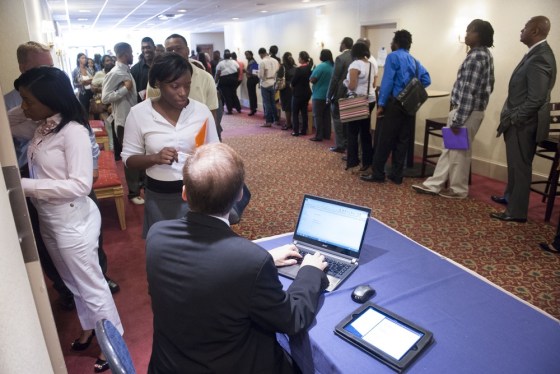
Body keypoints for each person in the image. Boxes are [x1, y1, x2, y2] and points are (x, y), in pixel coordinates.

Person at [146, 142, 328, 373]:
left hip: (168, 366)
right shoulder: (250, 261)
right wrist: (310, 271)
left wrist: (265, 258)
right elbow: (291, 319)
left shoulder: (157, 234)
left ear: (184, 192)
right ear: (240, 194)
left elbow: (206, 271)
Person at [17, 66, 122, 373]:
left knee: (91, 284)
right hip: (49, 218)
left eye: (28, 100)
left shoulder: (73, 131)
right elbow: (9, 119)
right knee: (73, 282)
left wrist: (23, 186)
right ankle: (91, 327)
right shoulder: (43, 126)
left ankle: (113, 341)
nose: (23, 107)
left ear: (51, 99)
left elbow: (80, 185)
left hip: (72, 220)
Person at [9, 42, 119, 310]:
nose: (48, 74)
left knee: (89, 272)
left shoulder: (68, 124)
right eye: (40, 68)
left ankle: (106, 330)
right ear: (24, 68)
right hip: (44, 197)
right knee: (63, 267)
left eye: (50, 67)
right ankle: (72, 299)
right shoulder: (28, 115)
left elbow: (80, 172)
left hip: (65, 200)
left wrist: (25, 186)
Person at [122, 53, 219, 238]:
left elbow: (215, 149)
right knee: (166, 247)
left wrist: (204, 159)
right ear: (158, 83)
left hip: (197, 194)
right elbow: (128, 159)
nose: (183, 92)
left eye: (187, 85)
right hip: (160, 195)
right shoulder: (139, 113)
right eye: (175, 86)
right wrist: (154, 158)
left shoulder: (201, 111)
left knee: (199, 244)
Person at [412, 19, 495, 199]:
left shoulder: (475, 57)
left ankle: (458, 190)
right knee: (451, 150)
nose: (466, 35)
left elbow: (468, 91)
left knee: (458, 153)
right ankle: (434, 184)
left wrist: (458, 118)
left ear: (478, 34)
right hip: (473, 111)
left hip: (465, 112)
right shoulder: (485, 54)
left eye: (469, 31)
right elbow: (490, 85)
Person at [491, 16, 557, 223]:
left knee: (520, 167)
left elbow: (536, 98)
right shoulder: (535, 53)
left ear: (535, 31)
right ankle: (511, 197)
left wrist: (515, 118)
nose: (522, 30)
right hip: (520, 120)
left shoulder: (541, 57)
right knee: (514, 164)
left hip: (524, 123)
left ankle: (517, 212)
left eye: (525, 27)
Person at [365, 30, 431, 184]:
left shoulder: (393, 57)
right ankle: (396, 175)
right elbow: (426, 79)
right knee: (402, 140)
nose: (390, 44)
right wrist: (411, 90)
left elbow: (387, 82)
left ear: (397, 42)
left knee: (384, 139)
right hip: (408, 106)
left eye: (392, 41)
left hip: (394, 103)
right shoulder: (415, 61)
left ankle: (378, 173)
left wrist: (381, 104)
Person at [102, 42, 144, 205]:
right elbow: (105, 97)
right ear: (125, 53)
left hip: (133, 119)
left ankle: (140, 186)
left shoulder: (126, 70)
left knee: (139, 153)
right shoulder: (116, 72)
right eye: (131, 52)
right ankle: (133, 193)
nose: (133, 55)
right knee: (130, 156)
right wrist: (125, 89)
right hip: (123, 121)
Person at [339, 43, 378, 174]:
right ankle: (367, 162)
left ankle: (353, 163)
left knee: (352, 132)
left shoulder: (355, 64)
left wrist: (345, 82)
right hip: (370, 99)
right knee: (365, 132)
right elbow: (373, 84)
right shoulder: (372, 64)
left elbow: (352, 85)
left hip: (357, 100)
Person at [327, 37, 354, 153]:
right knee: (348, 120)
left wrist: (329, 95)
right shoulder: (356, 57)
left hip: (340, 93)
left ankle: (340, 145)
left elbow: (335, 79)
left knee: (337, 119)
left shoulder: (340, 58)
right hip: (352, 93)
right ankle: (348, 144)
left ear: (343, 44)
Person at [309, 49, 334, 141]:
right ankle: (327, 135)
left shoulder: (321, 66)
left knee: (318, 116)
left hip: (319, 95)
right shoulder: (333, 66)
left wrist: (313, 72)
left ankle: (318, 136)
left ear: (322, 56)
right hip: (329, 95)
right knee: (327, 116)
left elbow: (312, 79)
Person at [290, 51, 313, 136]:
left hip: (298, 93)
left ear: (302, 59)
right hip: (307, 93)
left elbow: (293, 82)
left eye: (299, 57)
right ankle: (304, 130)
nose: (298, 59)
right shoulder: (309, 67)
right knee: (304, 112)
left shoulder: (299, 69)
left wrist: (291, 84)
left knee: (295, 112)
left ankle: (295, 131)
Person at [258, 47, 280, 127]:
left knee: (267, 103)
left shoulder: (262, 62)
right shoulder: (275, 60)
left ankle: (268, 121)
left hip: (265, 83)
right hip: (273, 82)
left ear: (261, 54)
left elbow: (260, 75)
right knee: (273, 102)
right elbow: (278, 71)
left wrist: (258, 74)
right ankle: (276, 120)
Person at [215, 50, 241, 114]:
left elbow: (218, 73)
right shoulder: (234, 62)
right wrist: (236, 77)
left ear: (224, 56)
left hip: (224, 80)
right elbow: (238, 70)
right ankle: (238, 109)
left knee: (227, 96)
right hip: (233, 79)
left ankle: (230, 110)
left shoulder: (220, 63)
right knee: (234, 94)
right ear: (230, 56)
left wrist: (215, 81)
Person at [131, 36, 156, 102]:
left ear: (154, 48)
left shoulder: (164, 65)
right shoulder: (135, 70)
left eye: (148, 47)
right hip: (143, 106)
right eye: (143, 48)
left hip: (163, 105)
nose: (145, 50)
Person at [279, 52, 297, 130]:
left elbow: (279, 77)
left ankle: (288, 123)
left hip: (285, 88)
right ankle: (293, 123)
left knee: (287, 107)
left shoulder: (283, 67)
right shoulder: (295, 67)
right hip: (294, 88)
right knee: (292, 106)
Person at [244, 50, 259, 116]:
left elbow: (254, 73)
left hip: (252, 80)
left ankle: (252, 109)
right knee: (252, 94)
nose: (246, 56)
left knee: (251, 95)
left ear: (251, 55)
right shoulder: (250, 61)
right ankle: (253, 108)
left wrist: (245, 71)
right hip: (251, 79)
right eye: (245, 55)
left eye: (247, 55)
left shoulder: (253, 62)